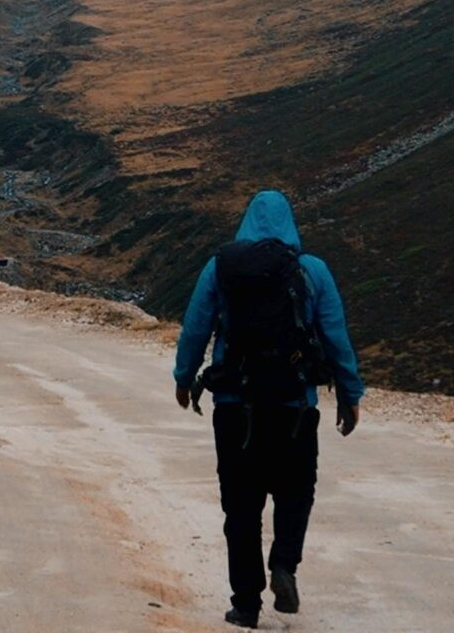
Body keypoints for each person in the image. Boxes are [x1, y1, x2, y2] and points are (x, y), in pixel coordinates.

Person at [173, 189, 364, 627]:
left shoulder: (220, 267)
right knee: (296, 493)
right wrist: (350, 395)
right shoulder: (311, 271)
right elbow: (335, 337)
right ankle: (284, 565)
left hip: (234, 408)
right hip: (294, 408)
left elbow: (195, 327)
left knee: (240, 506)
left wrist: (184, 380)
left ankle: (245, 605)